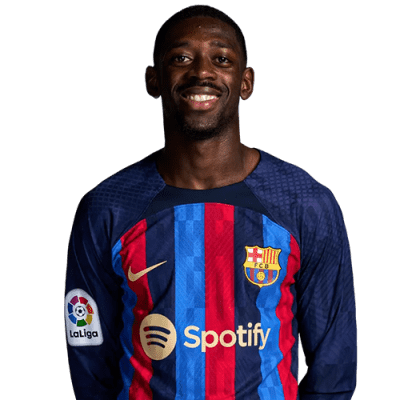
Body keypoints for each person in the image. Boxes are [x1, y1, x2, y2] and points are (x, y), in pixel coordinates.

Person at [64, 4, 357, 399]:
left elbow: (334, 363)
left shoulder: (306, 203)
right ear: (153, 80)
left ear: (246, 83)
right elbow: (89, 356)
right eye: (181, 58)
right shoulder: (107, 207)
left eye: (221, 59)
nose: (201, 72)